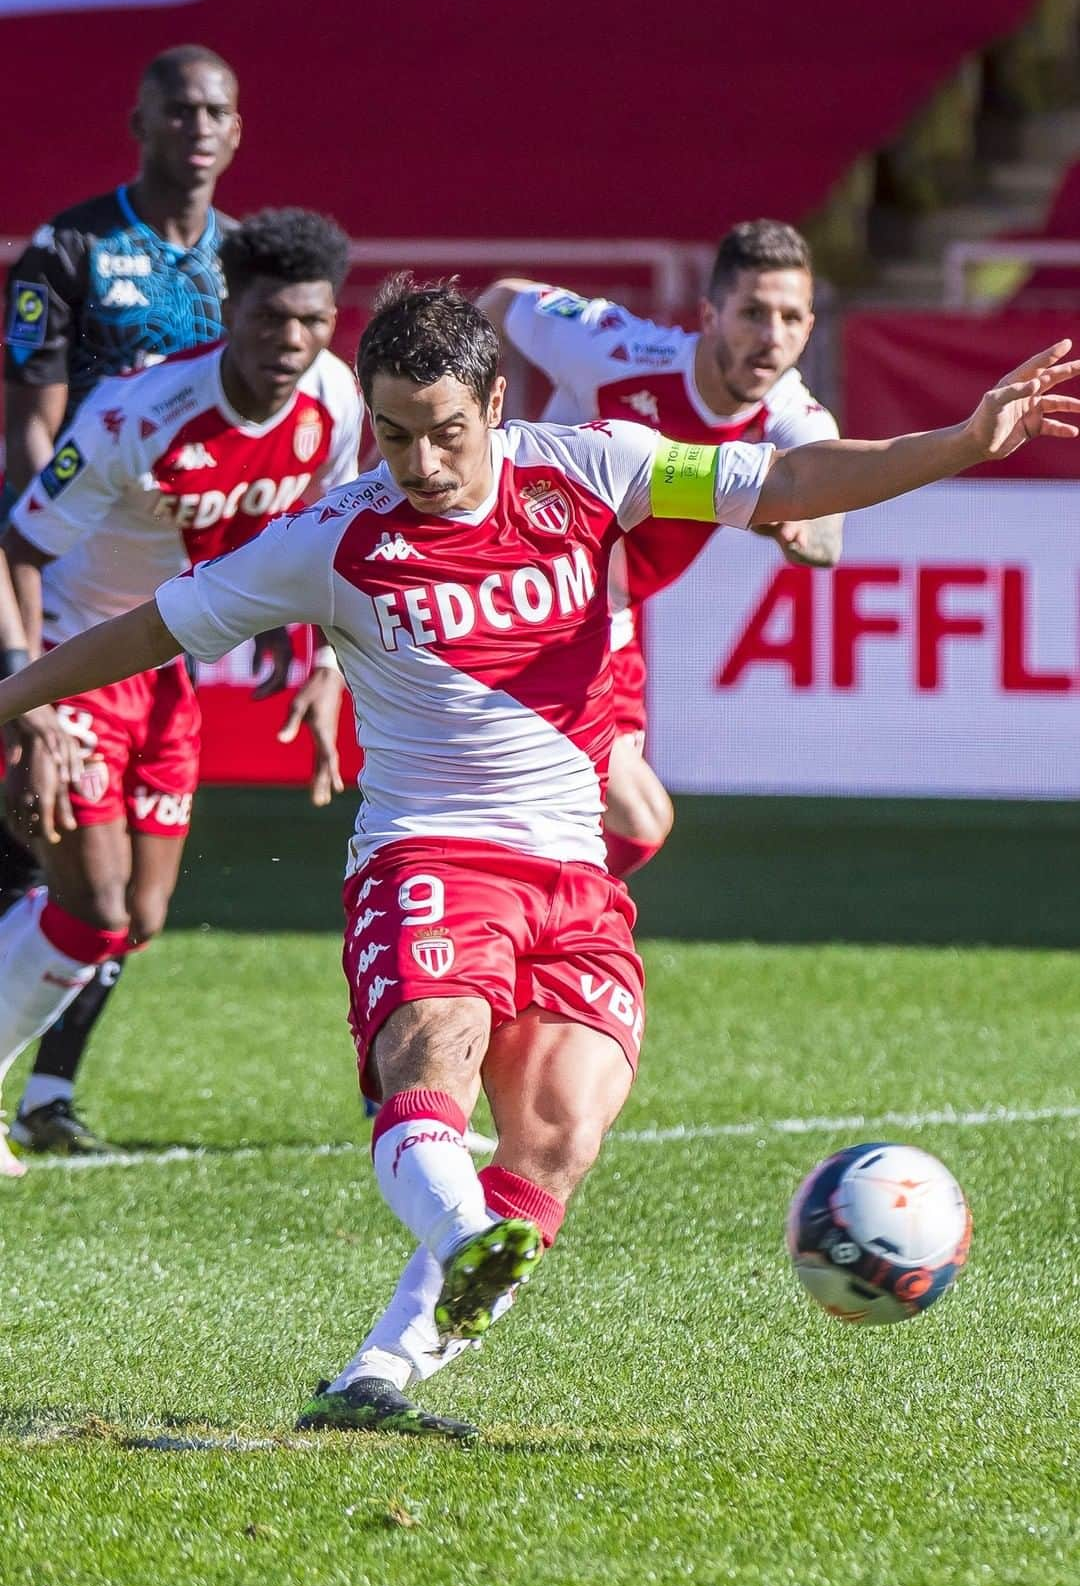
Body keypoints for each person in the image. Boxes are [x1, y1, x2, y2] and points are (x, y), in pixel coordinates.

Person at [0, 277, 1070, 1437]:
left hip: (574, 876)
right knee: (435, 1053)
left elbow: (793, 484)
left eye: (446, 432)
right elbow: (154, 625)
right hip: (430, 854)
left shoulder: (600, 463)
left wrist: (963, 440)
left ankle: (378, 1379)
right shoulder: (331, 538)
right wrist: (12, 697)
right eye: (396, 435)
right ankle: (466, 1235)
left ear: (497, 405)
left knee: (559, 1134)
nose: (421, 462)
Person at [0, 208, 361, 1174]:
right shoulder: (133, 412)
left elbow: (331, 538)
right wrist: (31, 704)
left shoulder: (336, 400)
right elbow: (17, 549)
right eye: (270, 318)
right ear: (228, 307)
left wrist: (326, 666)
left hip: (166, 670)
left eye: (313, 322)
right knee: (90, 904)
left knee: (139, 918)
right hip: (76, 649)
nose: (291, 342)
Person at [0, 43, 262, 1156]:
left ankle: (50, 1094)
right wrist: (29, 628)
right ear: (139, 120)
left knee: (118, 903)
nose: (198, 127)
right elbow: (31, 430)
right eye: (178, 109)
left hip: (159, 616)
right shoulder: (64, 251)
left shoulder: (250, 263)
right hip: (54, 588)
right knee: (51, 860)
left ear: (238, 129)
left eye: (217, 110)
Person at [479, 220, 843, 878]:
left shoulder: (793, 417)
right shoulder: (614, 351)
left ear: (809, 328)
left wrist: (790, 523)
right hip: (520, 592)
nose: (771, 337)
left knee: (626, 832)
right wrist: (467, 426)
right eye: (753, 313)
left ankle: (519, 932)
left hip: (607, 614)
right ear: (710, 314)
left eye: (790, 318)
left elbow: (826, 535)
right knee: (631, 817)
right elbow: (505, 299)